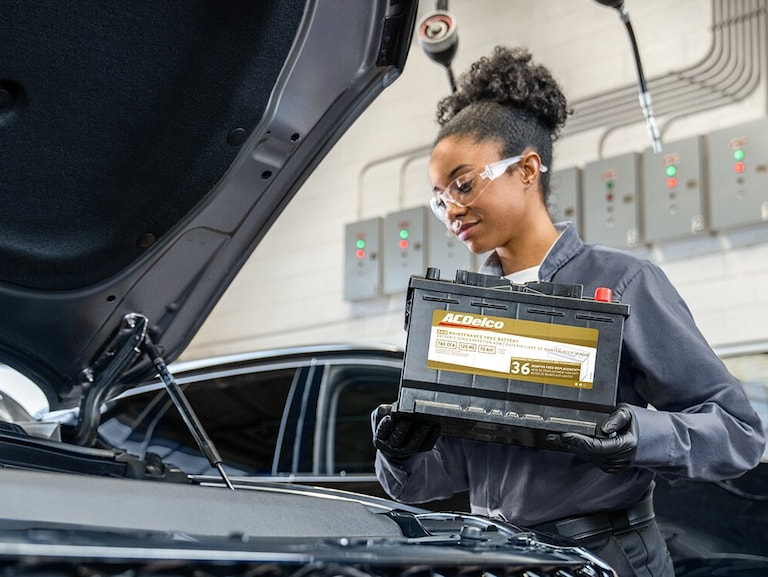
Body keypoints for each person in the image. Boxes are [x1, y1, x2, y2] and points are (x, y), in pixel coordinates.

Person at [372, 46, 766, 577]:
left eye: (463, 184)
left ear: (527, 169)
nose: (452, 211)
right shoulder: (462, 315)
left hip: (608, 557)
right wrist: (401, 452)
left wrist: (639, 434)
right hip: (501, 560)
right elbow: (436, 479)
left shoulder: (624, 282)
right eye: (439, 198)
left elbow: (739, 433)